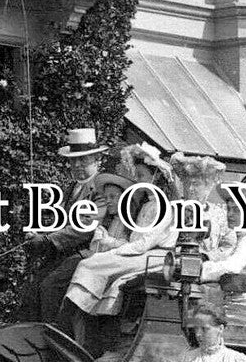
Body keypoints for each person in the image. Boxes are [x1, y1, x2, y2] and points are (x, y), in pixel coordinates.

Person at [64, 143, 178, 350]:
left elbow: (143, 244)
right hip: (140, 253)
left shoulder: (165, 207)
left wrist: (116, 251)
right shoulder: (148, 204)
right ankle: (80, 318)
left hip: (156, 256)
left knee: (91, 264)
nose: (138, 181)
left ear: (156, 178)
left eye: (142, 176)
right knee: (94, 262)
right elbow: (136, 241)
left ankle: (80, 315)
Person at [15, 128, 126, 326]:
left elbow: (86, 227)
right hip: (64, 253)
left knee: (50, 287)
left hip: (87, 252)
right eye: (73, 160)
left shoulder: (101, 189)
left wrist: (48, 240)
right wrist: (39, 234)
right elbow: (61, 221)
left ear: (97, 159)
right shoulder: (71, 188)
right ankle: (31, 337)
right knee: (32, 287)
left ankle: (57, 338)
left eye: (83, 160)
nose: (77, 165)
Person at [197, 184, 246, 328]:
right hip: (236, 316)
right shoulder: (241, 239)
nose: (230, 215)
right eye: (229, 209)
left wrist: (199, 269)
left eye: (236, 210)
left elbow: (231, 267)